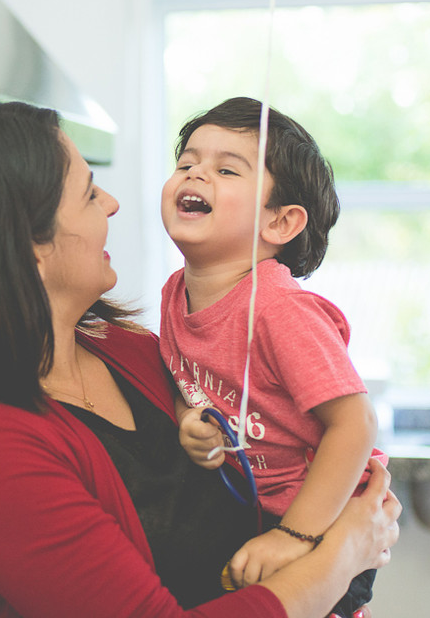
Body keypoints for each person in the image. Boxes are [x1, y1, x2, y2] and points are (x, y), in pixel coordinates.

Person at [0, 101, 399, 618]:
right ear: (30, 246)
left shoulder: (131, 351)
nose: (114, 202)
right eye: (89, 193)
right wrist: (341, 554)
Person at [159, 97, 388, 618]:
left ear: (281, 222)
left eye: (225, 169)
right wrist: (188, 420)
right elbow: (184, 380)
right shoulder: (176, 292)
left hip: (320, 520)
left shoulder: (278, 309)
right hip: (249, 516)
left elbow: (356, 422)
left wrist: (294, 535)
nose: (196, 175)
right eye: (186, 163)